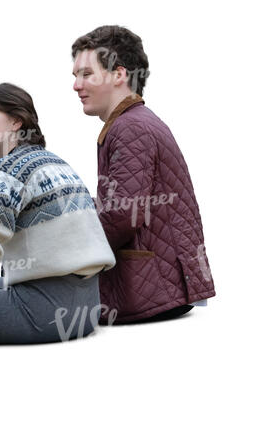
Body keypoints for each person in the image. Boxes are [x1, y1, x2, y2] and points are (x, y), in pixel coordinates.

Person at [0, 83, 116, 346]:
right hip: (86, 308)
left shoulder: (8, 170)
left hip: (44, 312)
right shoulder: (54, 162)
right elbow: (51, 243)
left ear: (16, 121)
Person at [71, 25, 215, 324]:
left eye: (86, 74)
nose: (76, 85)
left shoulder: (130, 127)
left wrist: (69, 257)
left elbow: (122, 215)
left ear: (119, 75)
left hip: (151, 292)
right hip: (160, 286)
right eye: (75, 76)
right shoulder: (134, 122)